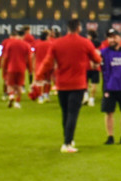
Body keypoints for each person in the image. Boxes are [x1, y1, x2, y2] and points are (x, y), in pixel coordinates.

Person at [34, 19, 102, 153]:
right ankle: (67, 143)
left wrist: (38, 76)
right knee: (73, 113)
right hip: (77, 84)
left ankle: (67, 139)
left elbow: (48, 62)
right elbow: (96, 60)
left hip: (62, 84)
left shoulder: (57, 43)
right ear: (78, 28)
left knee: (65, 113)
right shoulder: (85, 42)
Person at [0, 28, 32, 108]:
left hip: (11, 67)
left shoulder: (10, 44)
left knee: (10, 84)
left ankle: (11, 96)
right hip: (21, 68)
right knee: (19, 85)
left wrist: (4, 68)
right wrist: (30, 70)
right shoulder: (26, 45)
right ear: (24, 36)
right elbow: (29, 59)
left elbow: (6, 57)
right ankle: (17, 102)